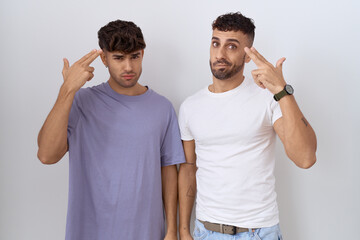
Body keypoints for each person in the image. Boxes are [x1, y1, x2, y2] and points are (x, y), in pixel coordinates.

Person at [37, 20, 185, 240]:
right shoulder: (81, 101)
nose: (128, 67)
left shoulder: (162, 107)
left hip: (145, 232)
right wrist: (67, 89)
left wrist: (172, 230)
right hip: (90, 232)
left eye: (134, 56)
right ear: (104, 58)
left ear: (142, 54)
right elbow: (47, 155)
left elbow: (168, 171)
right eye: (118, 58)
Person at [178, 12, 317, 240]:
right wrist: (184, 229)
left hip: (258, 232)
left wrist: (282, 91)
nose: (220, 54)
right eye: (215, 43)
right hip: (205, 231)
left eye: (231, 46)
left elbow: (305, 158)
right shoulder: (190, 107)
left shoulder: (267, 98)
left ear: (248, 54)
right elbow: (188, 168)